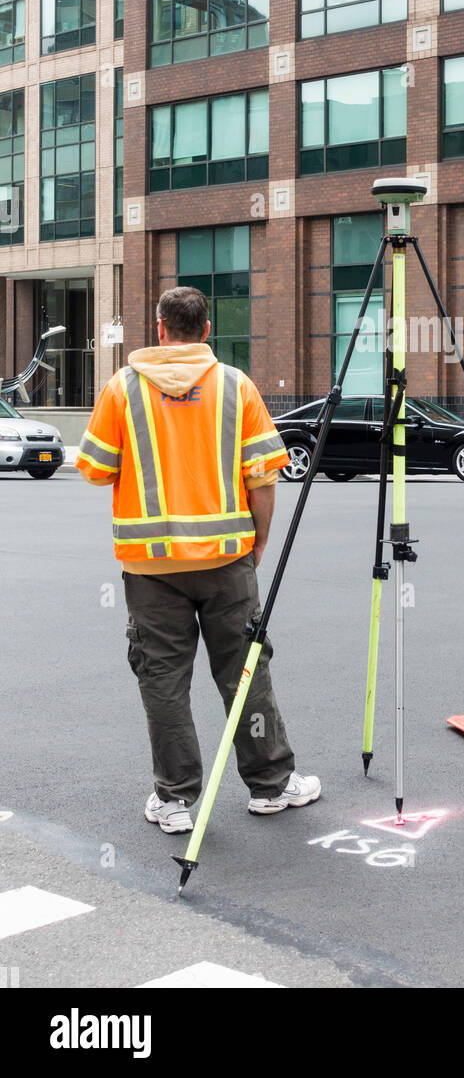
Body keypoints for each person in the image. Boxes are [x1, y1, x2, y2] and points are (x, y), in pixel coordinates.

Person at [76, 286, 320, 834]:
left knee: (162, 679)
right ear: (207, 330)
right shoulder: (237, 386)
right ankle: (272, 786)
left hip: (149, 567)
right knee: (244, 675)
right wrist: (257, 544)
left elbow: (93, 468)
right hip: (227, 562)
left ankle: (175, 799)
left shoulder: (122, 388)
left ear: (160, 327)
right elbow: (263, 478)